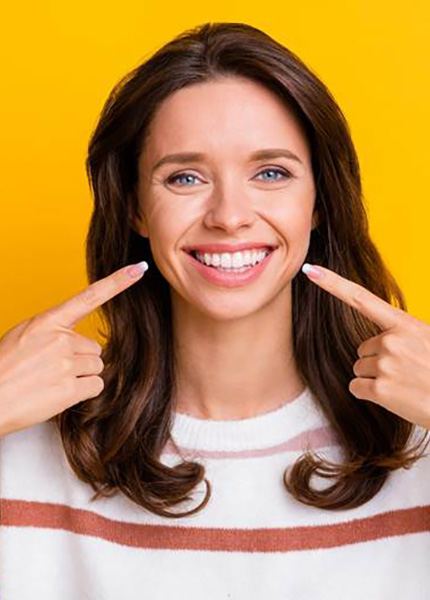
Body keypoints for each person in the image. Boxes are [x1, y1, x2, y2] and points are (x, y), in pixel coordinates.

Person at [1, 21, 429, 600]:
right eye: (185, 176)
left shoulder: (417, 439)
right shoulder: (23, 445)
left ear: (320, 203)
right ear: (136, 210)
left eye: (271, 172)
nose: (230, 215)